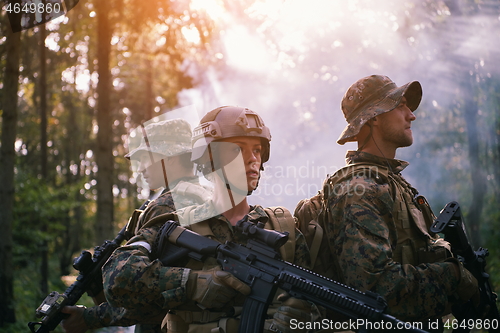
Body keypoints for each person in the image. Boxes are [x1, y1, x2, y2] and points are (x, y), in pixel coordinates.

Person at [102, 106, 314, 333]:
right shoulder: (176, 225)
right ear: (209, 157)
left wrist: (297, 321)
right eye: (238, 149)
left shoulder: (282, 230)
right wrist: (191, 283)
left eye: (258, 150)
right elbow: (116, 277)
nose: (252, 159)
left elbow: (317, 310)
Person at [298, 75, 479, 331]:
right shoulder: (359, 189)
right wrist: (453, 277)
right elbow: (374, 291)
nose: (411, 115)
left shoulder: (390, 183)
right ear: (374, 116)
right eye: (400, 105)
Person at [61, 118, 211, 333]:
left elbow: (152, 294)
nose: (140, 169)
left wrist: (91, 317)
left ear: (170, 159)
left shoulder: (168, 205)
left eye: (146, 159)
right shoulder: (207, 197)